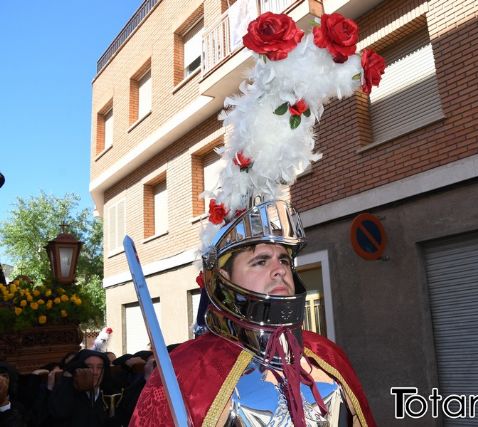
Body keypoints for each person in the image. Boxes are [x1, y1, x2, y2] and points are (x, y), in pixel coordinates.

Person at [129, 9, 384, 427]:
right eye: (260, 261)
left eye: (283, 259)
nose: (280, 270)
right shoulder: (187, 373)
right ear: (223, 278)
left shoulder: (327, 356)